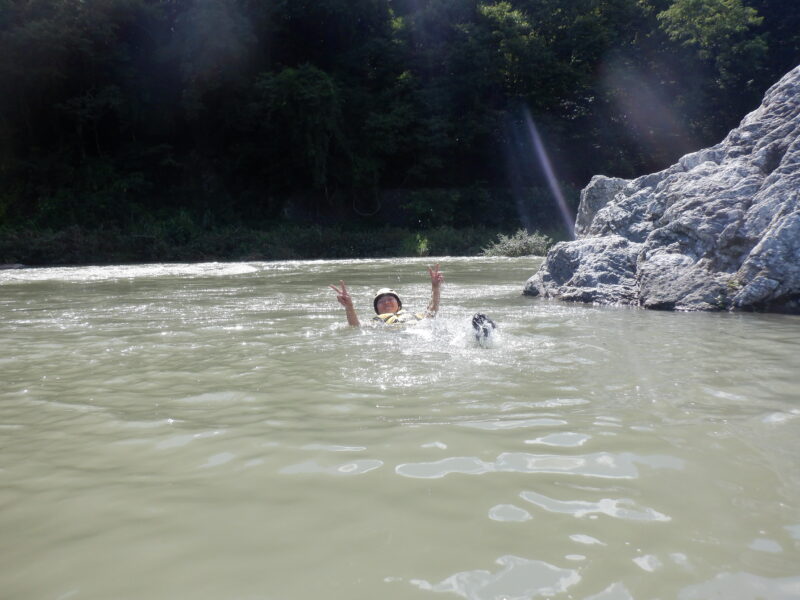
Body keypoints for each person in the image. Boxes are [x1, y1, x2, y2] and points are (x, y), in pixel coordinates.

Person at [329, 264, 444, 327]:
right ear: (377, 310)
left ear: (399, 305)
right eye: (381, 301)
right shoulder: (377, 322)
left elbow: (432, 311)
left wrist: (435, 287)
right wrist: (349, 307)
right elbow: (355, 326)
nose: (386, 302)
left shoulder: (416, 316)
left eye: (390, 299)